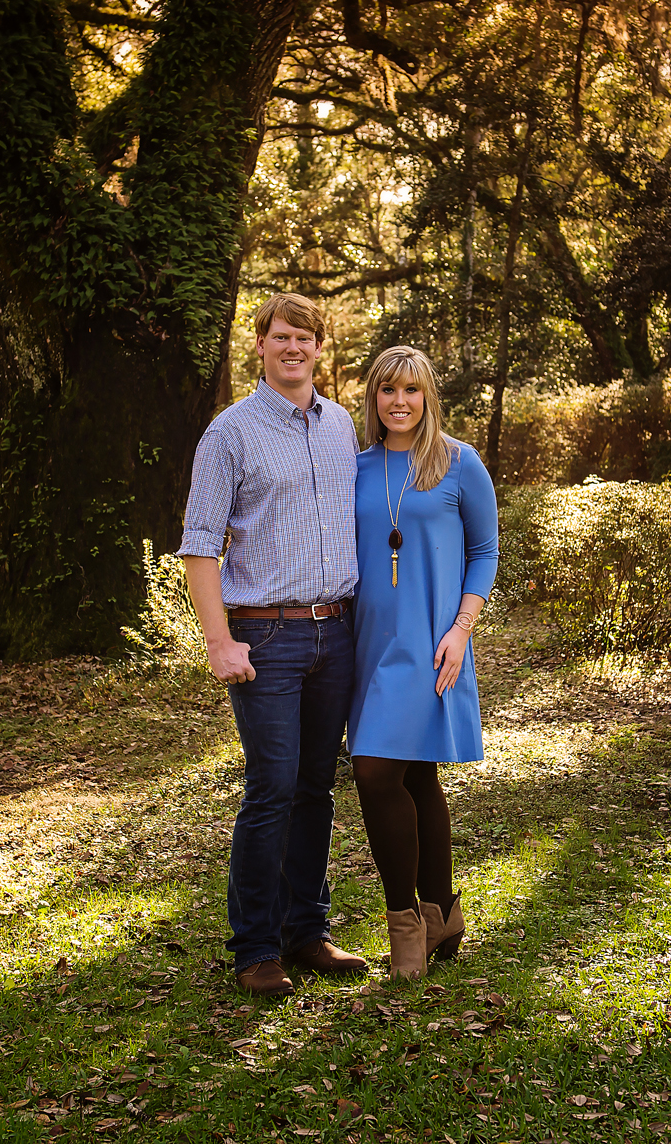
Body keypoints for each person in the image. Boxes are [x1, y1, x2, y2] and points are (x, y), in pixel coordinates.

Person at [178, 292, 369, 998]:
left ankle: (307, 930)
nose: (294, 347)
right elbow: (200, 547)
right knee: (272, 786)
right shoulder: (228, 433)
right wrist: (218, 640)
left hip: (336, 630)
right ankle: (256, 947)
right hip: (266, 634)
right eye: (281, 336)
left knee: (317, 786)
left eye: (306, 337)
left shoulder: (341, 424)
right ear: (259, 344)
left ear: (321, 348)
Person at [350, 345, 498, 980]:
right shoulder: (354, 467)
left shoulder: (460, 463)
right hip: (369, 646)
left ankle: (403, 922)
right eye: (388, 391)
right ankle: (442, 914)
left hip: (434, 643)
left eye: (411, 390)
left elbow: (485, 549)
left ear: (428, 396)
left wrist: (462, 629)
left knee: (376, 773)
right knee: (413, 780)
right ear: (374, 400)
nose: (400, 402)